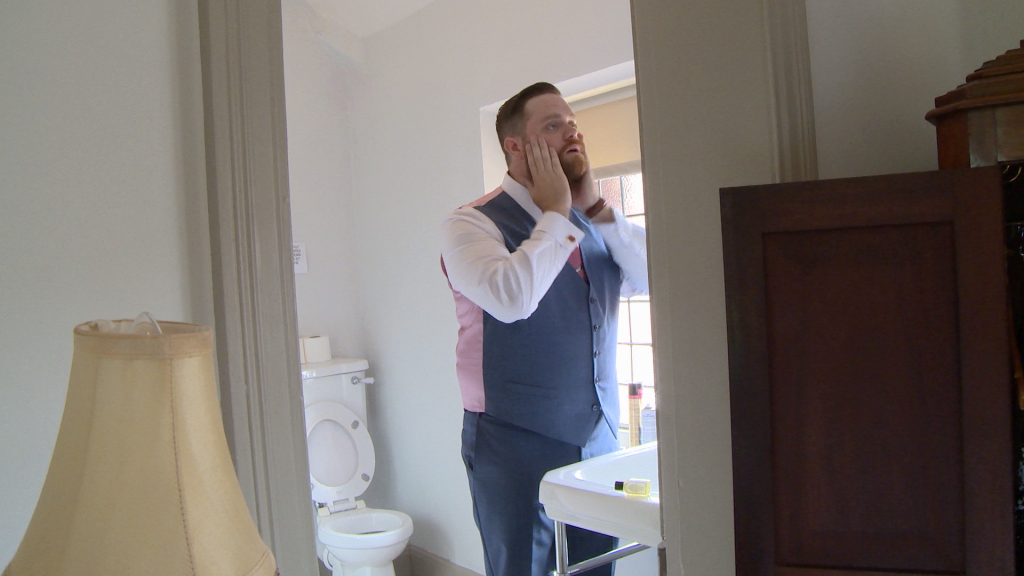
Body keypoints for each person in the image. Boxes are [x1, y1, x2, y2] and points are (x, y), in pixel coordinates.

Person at [440, 82, 649, 576]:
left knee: (596, 566)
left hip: (597, 436)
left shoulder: (590, 220)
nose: (571, 134)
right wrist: (555, 212)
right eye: (553, 126)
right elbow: (512, 299)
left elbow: (653, 280)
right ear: (516, 146)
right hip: (513, 442)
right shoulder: (470, 224)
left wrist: (594, 208)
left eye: (573, 124)